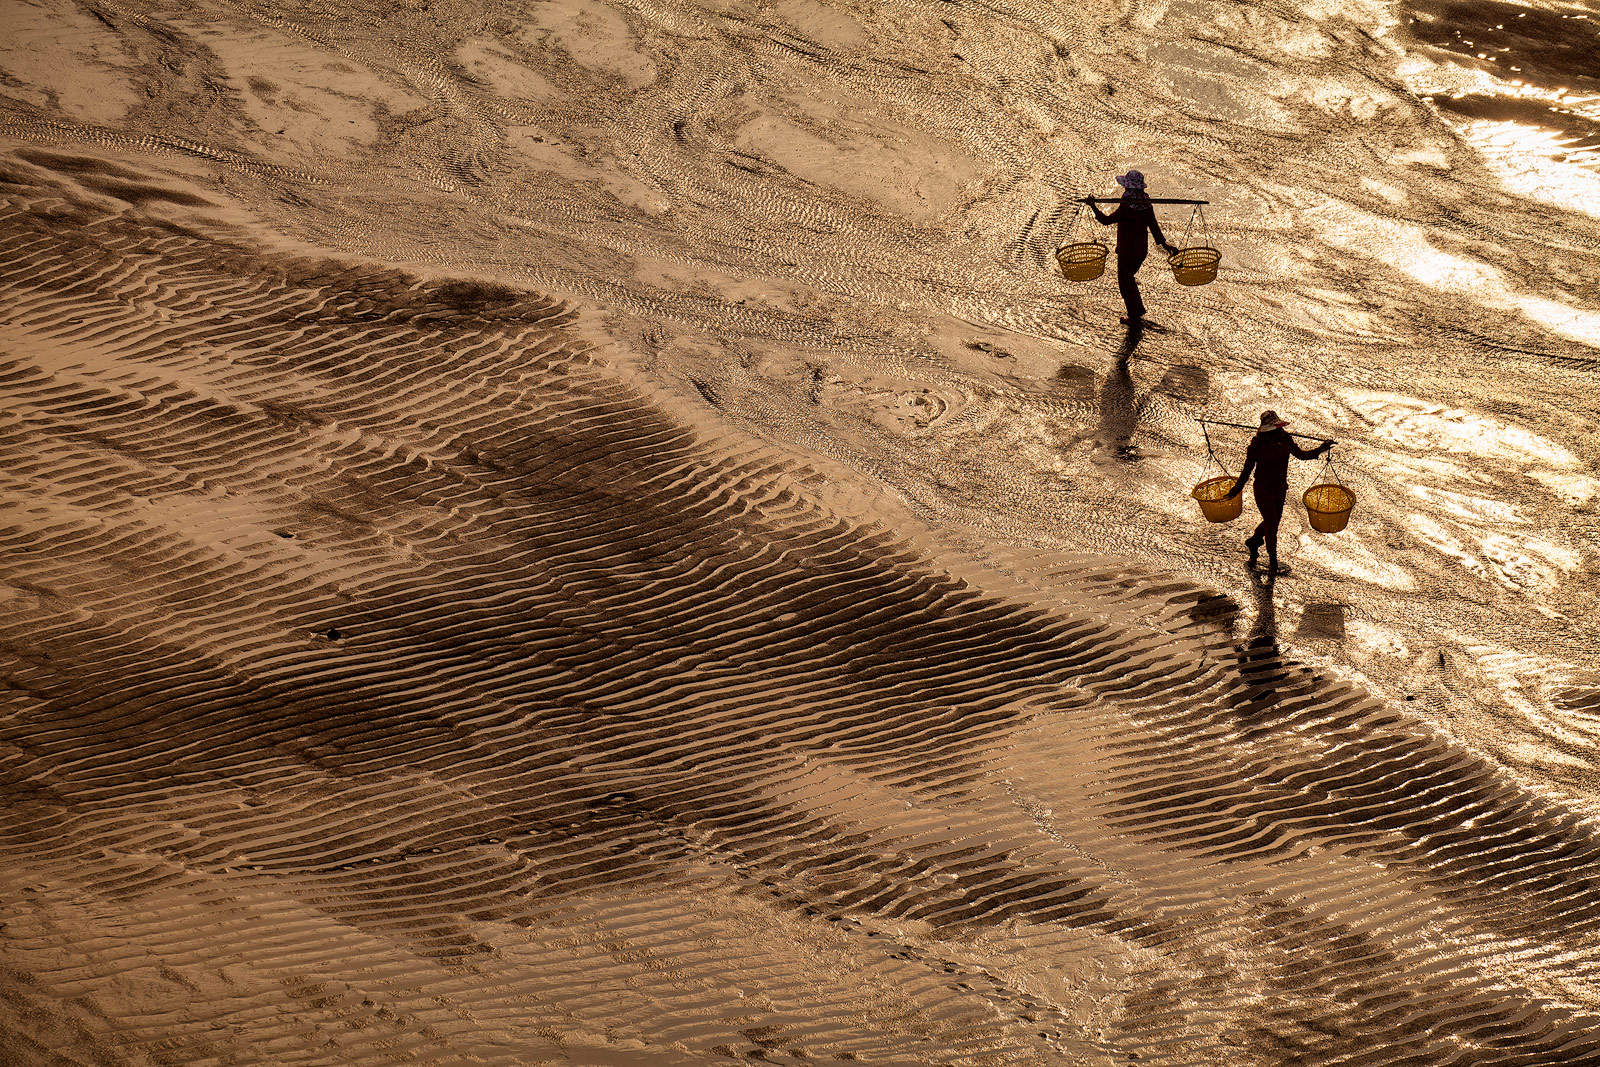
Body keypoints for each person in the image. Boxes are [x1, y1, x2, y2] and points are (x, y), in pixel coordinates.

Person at [1227, 410, 1332, 574]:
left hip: (1280, 489)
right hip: (1263, 489)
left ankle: (1254, 541)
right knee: (1272, 525)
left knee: (1272, 522)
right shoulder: (1257, 444)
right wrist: (1236, 489)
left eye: (1278, 428)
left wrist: (1321, 449)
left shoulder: (1285, 439)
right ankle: (1273, 562)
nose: (1278, 432)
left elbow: (1301, 455)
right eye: (1275, 429)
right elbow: (1247, 470)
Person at [1085, 170, 1175, 325]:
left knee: (1125, 282)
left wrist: (1093, 206)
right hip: (1140, 251)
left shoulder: (1127, 207)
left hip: (1127, 251)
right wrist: (1165, 245)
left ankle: (1134, 316)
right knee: (1129, 280)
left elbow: (1106, 221)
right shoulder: (1146, 205)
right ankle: (1137, 311)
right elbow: (1153, 226)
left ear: (1128, 188)